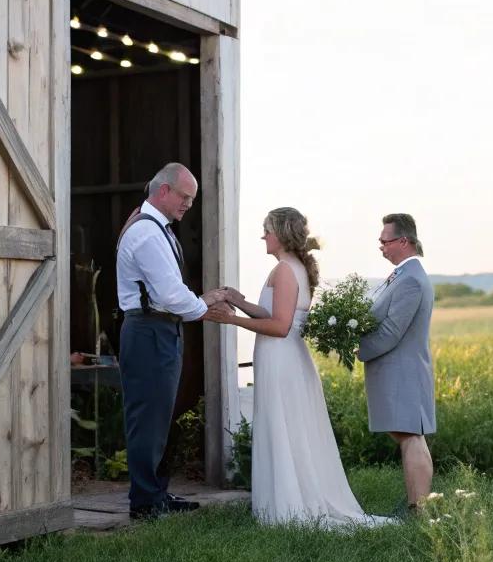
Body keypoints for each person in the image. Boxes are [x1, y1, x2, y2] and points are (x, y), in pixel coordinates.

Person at [222, 207, 391, 527]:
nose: (263, 236)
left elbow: (280, 325)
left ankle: (288, 508)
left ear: (281, 234)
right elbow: (272, 312)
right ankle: (286, 500)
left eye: (267, 229)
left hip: (282, 359)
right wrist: (239, 301)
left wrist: (230, 319)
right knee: (287, 427)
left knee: (283, 427)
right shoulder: (292, 267)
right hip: (283, 359)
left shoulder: (286, 270)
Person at [117, 161, 233, 520]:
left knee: (160, 414)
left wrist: (201, 301)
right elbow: (169, 293)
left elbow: (171, 292)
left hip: (160, 328)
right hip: (149, 329)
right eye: (185, 197)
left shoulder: (156, 228)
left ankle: (157, 493)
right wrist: (202, 305)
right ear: (164, 190)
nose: (188, 205)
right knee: (147, 416)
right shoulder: (148, 233)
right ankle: (145, 502)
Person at [357, 213, 436, 514]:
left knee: (410, 437)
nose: (381, 247)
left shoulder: (411, 280)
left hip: (403, 372)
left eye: (384, 241)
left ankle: (419, 509)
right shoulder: (403, 275)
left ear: (404, 241)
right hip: (399, 372)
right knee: (410, 437)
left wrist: (360, 349)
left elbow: (391, 331)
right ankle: (419, 505)